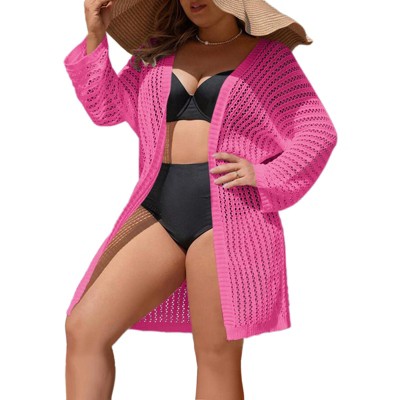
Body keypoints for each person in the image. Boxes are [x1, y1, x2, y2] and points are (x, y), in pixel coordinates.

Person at [63, 0, 337, 398]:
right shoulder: (156, 49)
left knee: (215, 357)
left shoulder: (270, 58)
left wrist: (262, 175)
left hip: (229, 216)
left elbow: (317, 132)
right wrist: (95, 35)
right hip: (158, 207)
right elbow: (107, 108)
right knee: (84, 328)